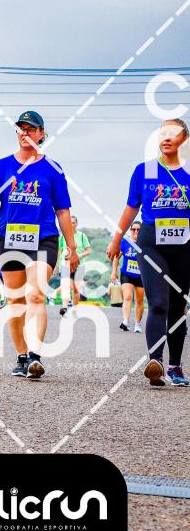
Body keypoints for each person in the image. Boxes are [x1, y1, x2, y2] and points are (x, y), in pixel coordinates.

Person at [0, 110, 79, 379]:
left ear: (41, 134)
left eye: (31, 129)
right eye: (21, 129)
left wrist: (71, 246)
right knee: (15, 299)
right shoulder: (2, 167)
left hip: (43, 238)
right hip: (9, 238)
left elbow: (63, 210)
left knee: (35, 294)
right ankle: (21, 355)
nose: (25, 133)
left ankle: (35, 356)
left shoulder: (53, 169)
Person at [108, 119, 190, 387]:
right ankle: (155, 362)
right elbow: (131, 207)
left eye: (173, 133)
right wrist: (117, 239)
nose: (166, 137)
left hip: (184, 245)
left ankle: (175, 366)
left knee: (178, 306)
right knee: (158, 303)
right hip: (152, 242)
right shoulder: (146, 171)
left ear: (185, 140)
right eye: (162, 133)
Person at [110, 221, 144, 333]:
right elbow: (116, 258)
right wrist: (114, 272)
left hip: (141, 275)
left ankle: (137, 324)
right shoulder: (125, 242)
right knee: (128, 297)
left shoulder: (145, 243)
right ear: (130, 230)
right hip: (126, 274)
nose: (136, 231)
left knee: (139, 300)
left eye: (138, 229)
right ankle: (125, 321)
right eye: (133, 229)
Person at [57, 215, 91, 316]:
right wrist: (56, 265)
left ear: (76, 224)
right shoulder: (63, 236)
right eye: (70, 223)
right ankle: (64, 307)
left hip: (79, 265)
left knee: (76, 288)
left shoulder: (82, 236)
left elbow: (88, 250)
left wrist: (78, 255)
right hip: (65, 264)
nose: (72, 225)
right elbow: (60, 251)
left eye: (73, 223)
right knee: (66, 285)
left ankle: (74, 308)